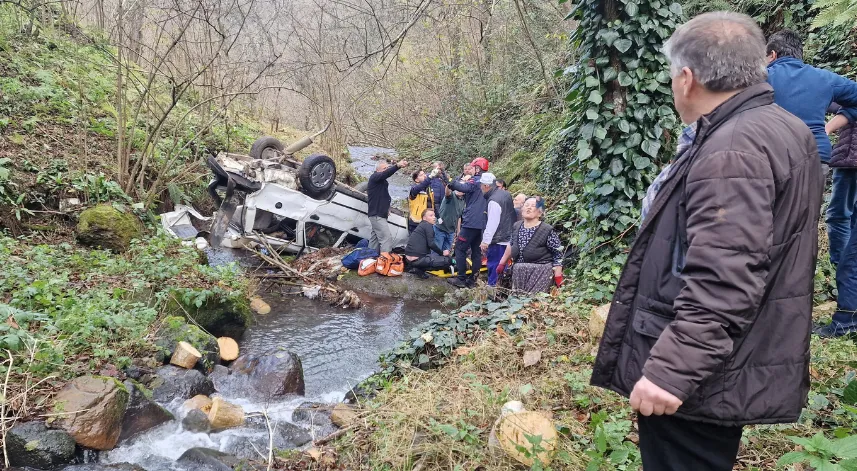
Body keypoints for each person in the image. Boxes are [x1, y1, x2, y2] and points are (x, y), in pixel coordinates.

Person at [591, 12, 821, 471]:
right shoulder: (782, 126)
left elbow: (726, 278)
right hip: (730, 353)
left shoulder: (733, 150)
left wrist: (668, 373)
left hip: (700, 371)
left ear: (687, 77)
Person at [766, 31, 857, 338]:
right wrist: (831, 113)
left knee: (762, 229)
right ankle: (795, 313)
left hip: (767, 157)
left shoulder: (759, 75)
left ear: (773, 54)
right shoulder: (823, 78)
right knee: (801, 234)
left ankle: (762, 308)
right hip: (814, 157)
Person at [818, 106, 857, 336]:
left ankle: (848, 317)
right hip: (846, 161)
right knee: (838, 216)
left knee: (839, 217)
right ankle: (842, 275)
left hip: (850, 161)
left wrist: (826, 128)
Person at [496, 197, 562, 293]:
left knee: (534, 303)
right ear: (522, 209)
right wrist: (502, 263)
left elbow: (558, 253)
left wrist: (558, 275)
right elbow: (511, 245)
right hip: (519, 272)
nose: (529, 208)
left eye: (533, 206)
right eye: (526, 205)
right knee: (517, 301)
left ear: (540, 212)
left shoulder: (547, 230)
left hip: (540, 272)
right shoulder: (516, 226)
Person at [445, 158, 490, 288]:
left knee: (460, 248)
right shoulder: (489, 182)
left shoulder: (475, 180)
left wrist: (449, 180)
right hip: (482, 223)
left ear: (477, 168)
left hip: (471, 221)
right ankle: (472, 280)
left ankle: (461, 278)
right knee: (476, 251)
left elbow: (461, 187)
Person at [478, 172, 516, 286]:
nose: (480, 188)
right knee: (504, 266)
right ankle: (503, 289)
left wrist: (485, 241)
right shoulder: (505, 194)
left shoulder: (493, 200)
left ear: (486, 186)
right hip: (508, 238)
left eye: (481, 185)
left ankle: (493, 290)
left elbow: (492, 222)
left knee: (495, 266)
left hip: (498, 240)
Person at [367, 158, 407, 253]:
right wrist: (397, 166)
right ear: (377, 170)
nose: (386, 170)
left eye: (387, 168)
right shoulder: (375, 177)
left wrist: (387, 208)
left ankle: (368, 258)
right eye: (384, 168)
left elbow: (383, 196)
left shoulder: (383, 182)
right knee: (386, 239)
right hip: (377, 215)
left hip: (380, 214)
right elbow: (386, 174)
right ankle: (385, 262)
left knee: (375, 239)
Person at [404, 208, 451, 278]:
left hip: (408, 259)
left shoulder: (421, 226)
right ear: (424, 218)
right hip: (417, 260)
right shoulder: (428, 226)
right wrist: (442, 253)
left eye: (434, 215)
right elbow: (431, 244)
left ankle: (417, 269)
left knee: (430, 256)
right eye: (431, 216)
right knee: (447, 261)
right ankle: (418, 268)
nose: (434, 217)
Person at [434, 184, 464, 254]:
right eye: (458, 188)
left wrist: (458, 231)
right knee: (437, 251)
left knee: (447, 253)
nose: (459, 190)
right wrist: (450, 185)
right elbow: (447, 192)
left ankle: (443, 265)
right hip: (440, 228)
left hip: (451, 231)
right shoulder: (451, 196)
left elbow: (459, 216)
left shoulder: (463, 200)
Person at [408, 169, 436, 233]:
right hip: (416, 222)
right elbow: (421, 186)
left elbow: (432, 204)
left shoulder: (428, 188)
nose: (424, 176)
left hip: (427, 221)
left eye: (424, 174)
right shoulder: (414, 189)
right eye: (421, 175)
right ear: (416, 180)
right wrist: (429, 177)